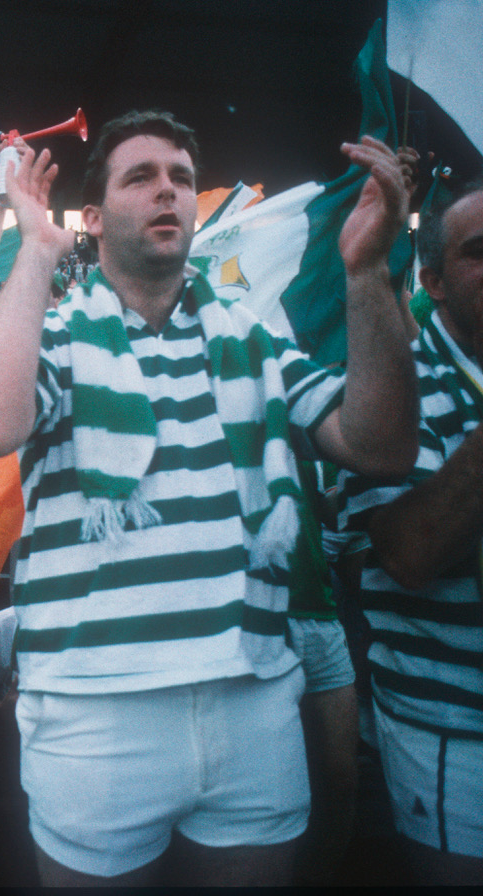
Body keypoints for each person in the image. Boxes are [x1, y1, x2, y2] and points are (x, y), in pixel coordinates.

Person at [0, 111, 418, 886]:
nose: (168, 191)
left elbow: (380, 447)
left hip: (253, 697)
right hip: (96, 710)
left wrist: (367, 273)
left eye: (182, 179)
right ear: (91, 218)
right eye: (141, 177)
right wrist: (36, 249)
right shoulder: (58, 331)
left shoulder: (255, 337)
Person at [338, 182, 483, 885]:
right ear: (432, 279)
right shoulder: (391, 386)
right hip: (455, 733)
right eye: (480, 253)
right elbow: (406, 554)